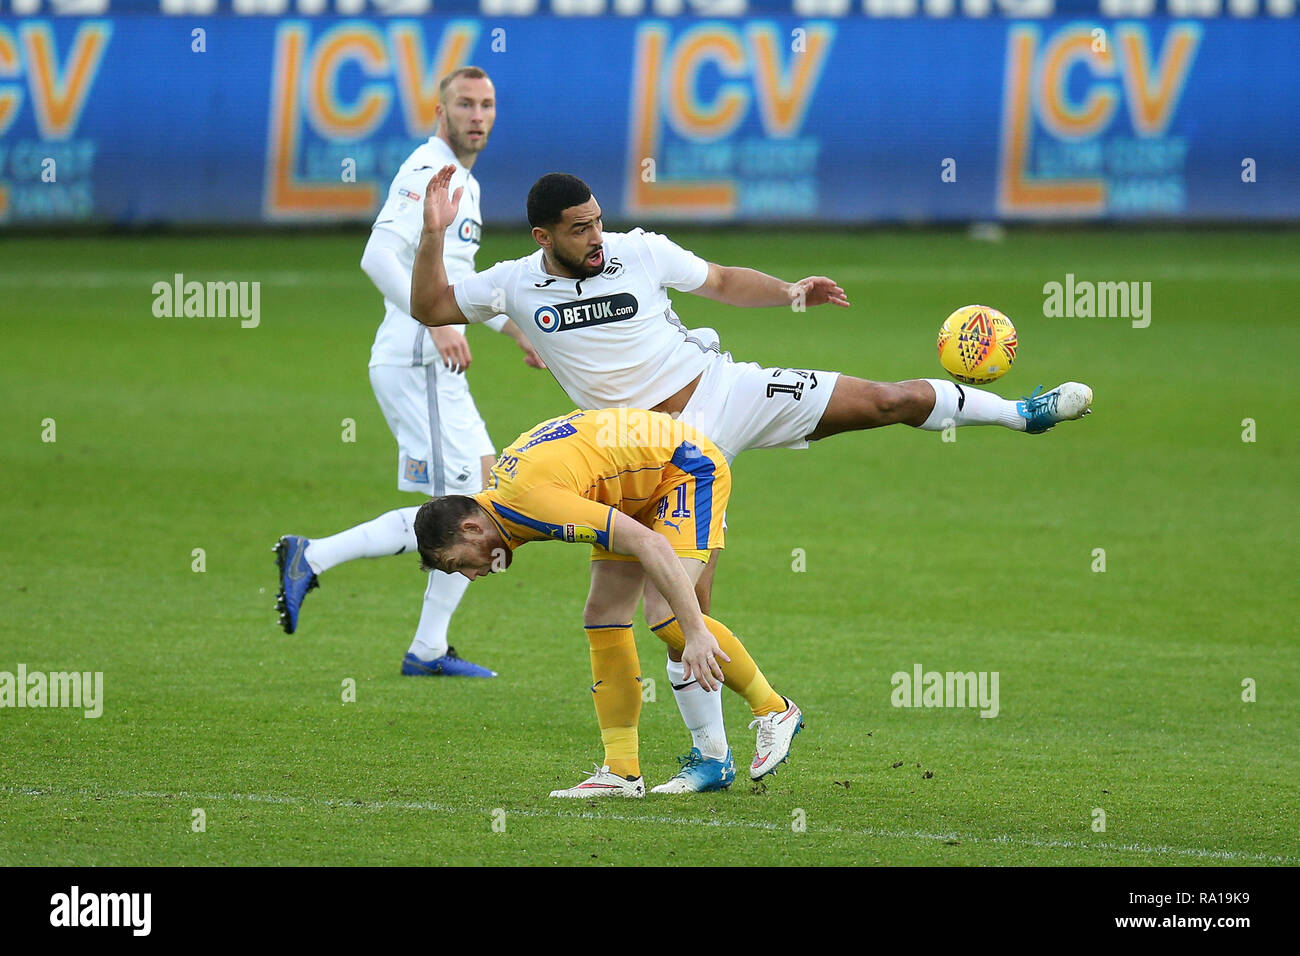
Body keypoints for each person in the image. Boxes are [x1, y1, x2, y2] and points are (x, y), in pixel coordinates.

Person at [409, 165, 1093, 788]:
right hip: (640, 461)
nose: (596, 236)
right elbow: (430, 305)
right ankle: (710, 757)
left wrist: (791, 294)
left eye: (597, 220)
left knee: (885, 401)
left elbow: (724, 280)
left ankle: (1018, 413)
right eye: (580, 228)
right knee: (680, 614)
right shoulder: (512, 284)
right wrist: (433, 234)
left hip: (721, 394)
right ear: (543, 235)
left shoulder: (639, 250)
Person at [273, 67, 542, 678]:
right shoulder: (429, 169)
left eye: (488, 104)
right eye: (465, 104)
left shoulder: (461, 182)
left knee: (483, 498)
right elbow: (376, 256)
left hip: (432, 362)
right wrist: (434, 322)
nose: (478, 114)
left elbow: (459, 287)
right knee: (461, 510)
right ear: (440, 111)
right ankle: (311, 557)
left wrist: (516, 329)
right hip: (418, 359)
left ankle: (426, 649)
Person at [414, 407, 803, 797]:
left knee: (667, 615)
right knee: (603, 614)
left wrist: (696, 631)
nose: (470, 574)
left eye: (459, 562)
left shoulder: (532, 502)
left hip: (684, 469)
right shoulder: (507, 502)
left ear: (471, 527)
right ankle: (621, 771)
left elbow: (647, 543)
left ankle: (774, 708)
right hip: (630, 489)